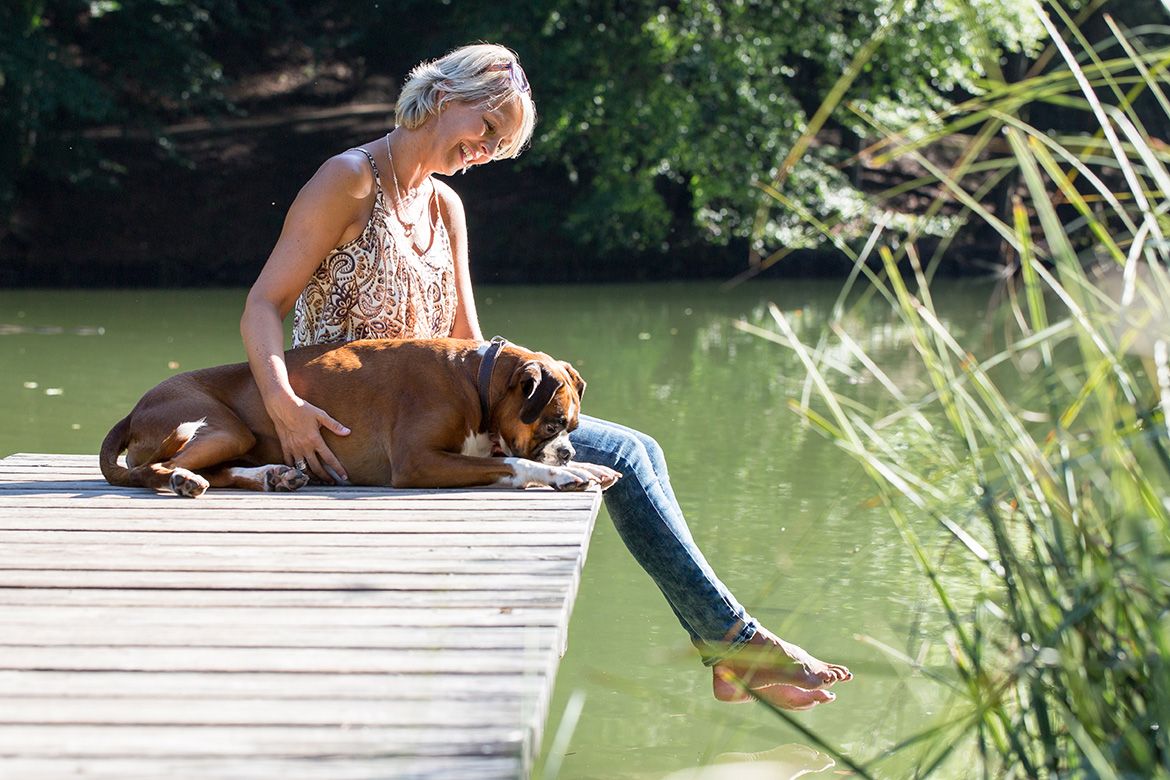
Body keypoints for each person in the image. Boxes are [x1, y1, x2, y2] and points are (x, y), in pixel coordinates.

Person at [241, 43, 852, 710]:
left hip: (441, 418)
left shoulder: (445, 207)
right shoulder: (349, 179)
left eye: (498, 146)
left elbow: (468, 347)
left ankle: (731, 651)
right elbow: (262, 305)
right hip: (352, 422)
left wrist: (540, 382)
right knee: (624, 453)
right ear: (446, 98)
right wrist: (283, 404)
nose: (485, 152)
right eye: (486, 131)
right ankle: (736, 648)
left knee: (638, 447)